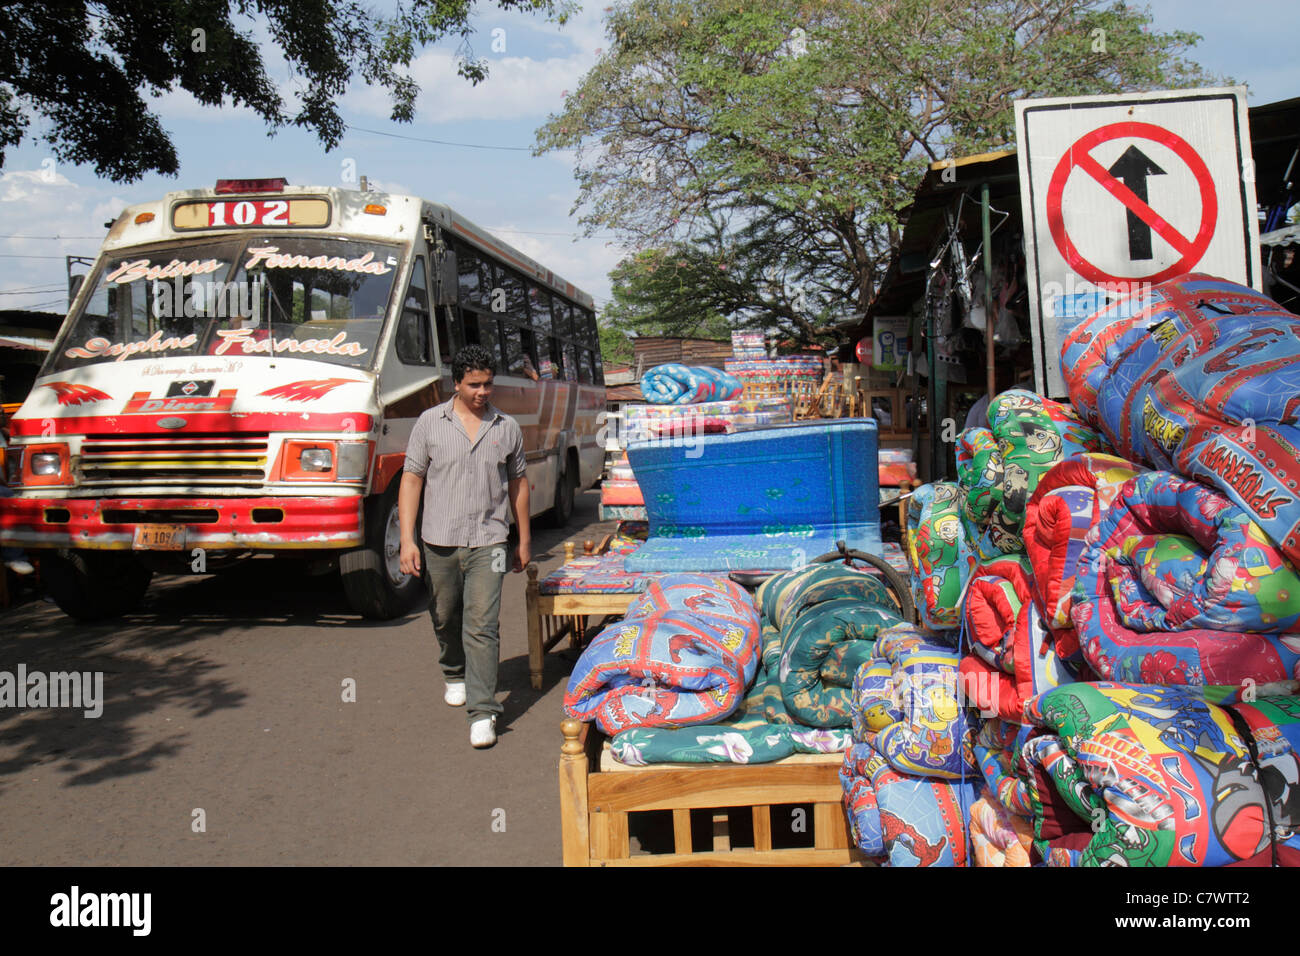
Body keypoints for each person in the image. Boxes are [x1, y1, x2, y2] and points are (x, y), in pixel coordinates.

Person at [397, 345, 531, 749]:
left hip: (489, 540)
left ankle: (483, 712)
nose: (483, 391)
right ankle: (453, 670)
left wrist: (523, 539)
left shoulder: (506, 427)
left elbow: (519, 484)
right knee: (444, 615)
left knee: (482, 626)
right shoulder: (429, 423)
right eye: (474, 384)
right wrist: (407, 539)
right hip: (438, 540)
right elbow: (412, 480)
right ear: (456, 383)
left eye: (489, 383)